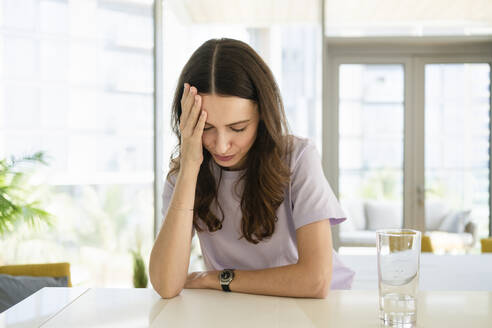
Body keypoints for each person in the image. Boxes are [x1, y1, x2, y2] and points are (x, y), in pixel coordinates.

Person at [149, 38, 354, 299]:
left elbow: (315, 281)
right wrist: (189, 166)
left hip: (315, 310)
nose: (221, 146)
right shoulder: (185, 173)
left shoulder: (298, 158)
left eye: (238, 128)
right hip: (239, 308)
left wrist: (218, 278)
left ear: (262, 116)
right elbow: (166, 285)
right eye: (207, 129)